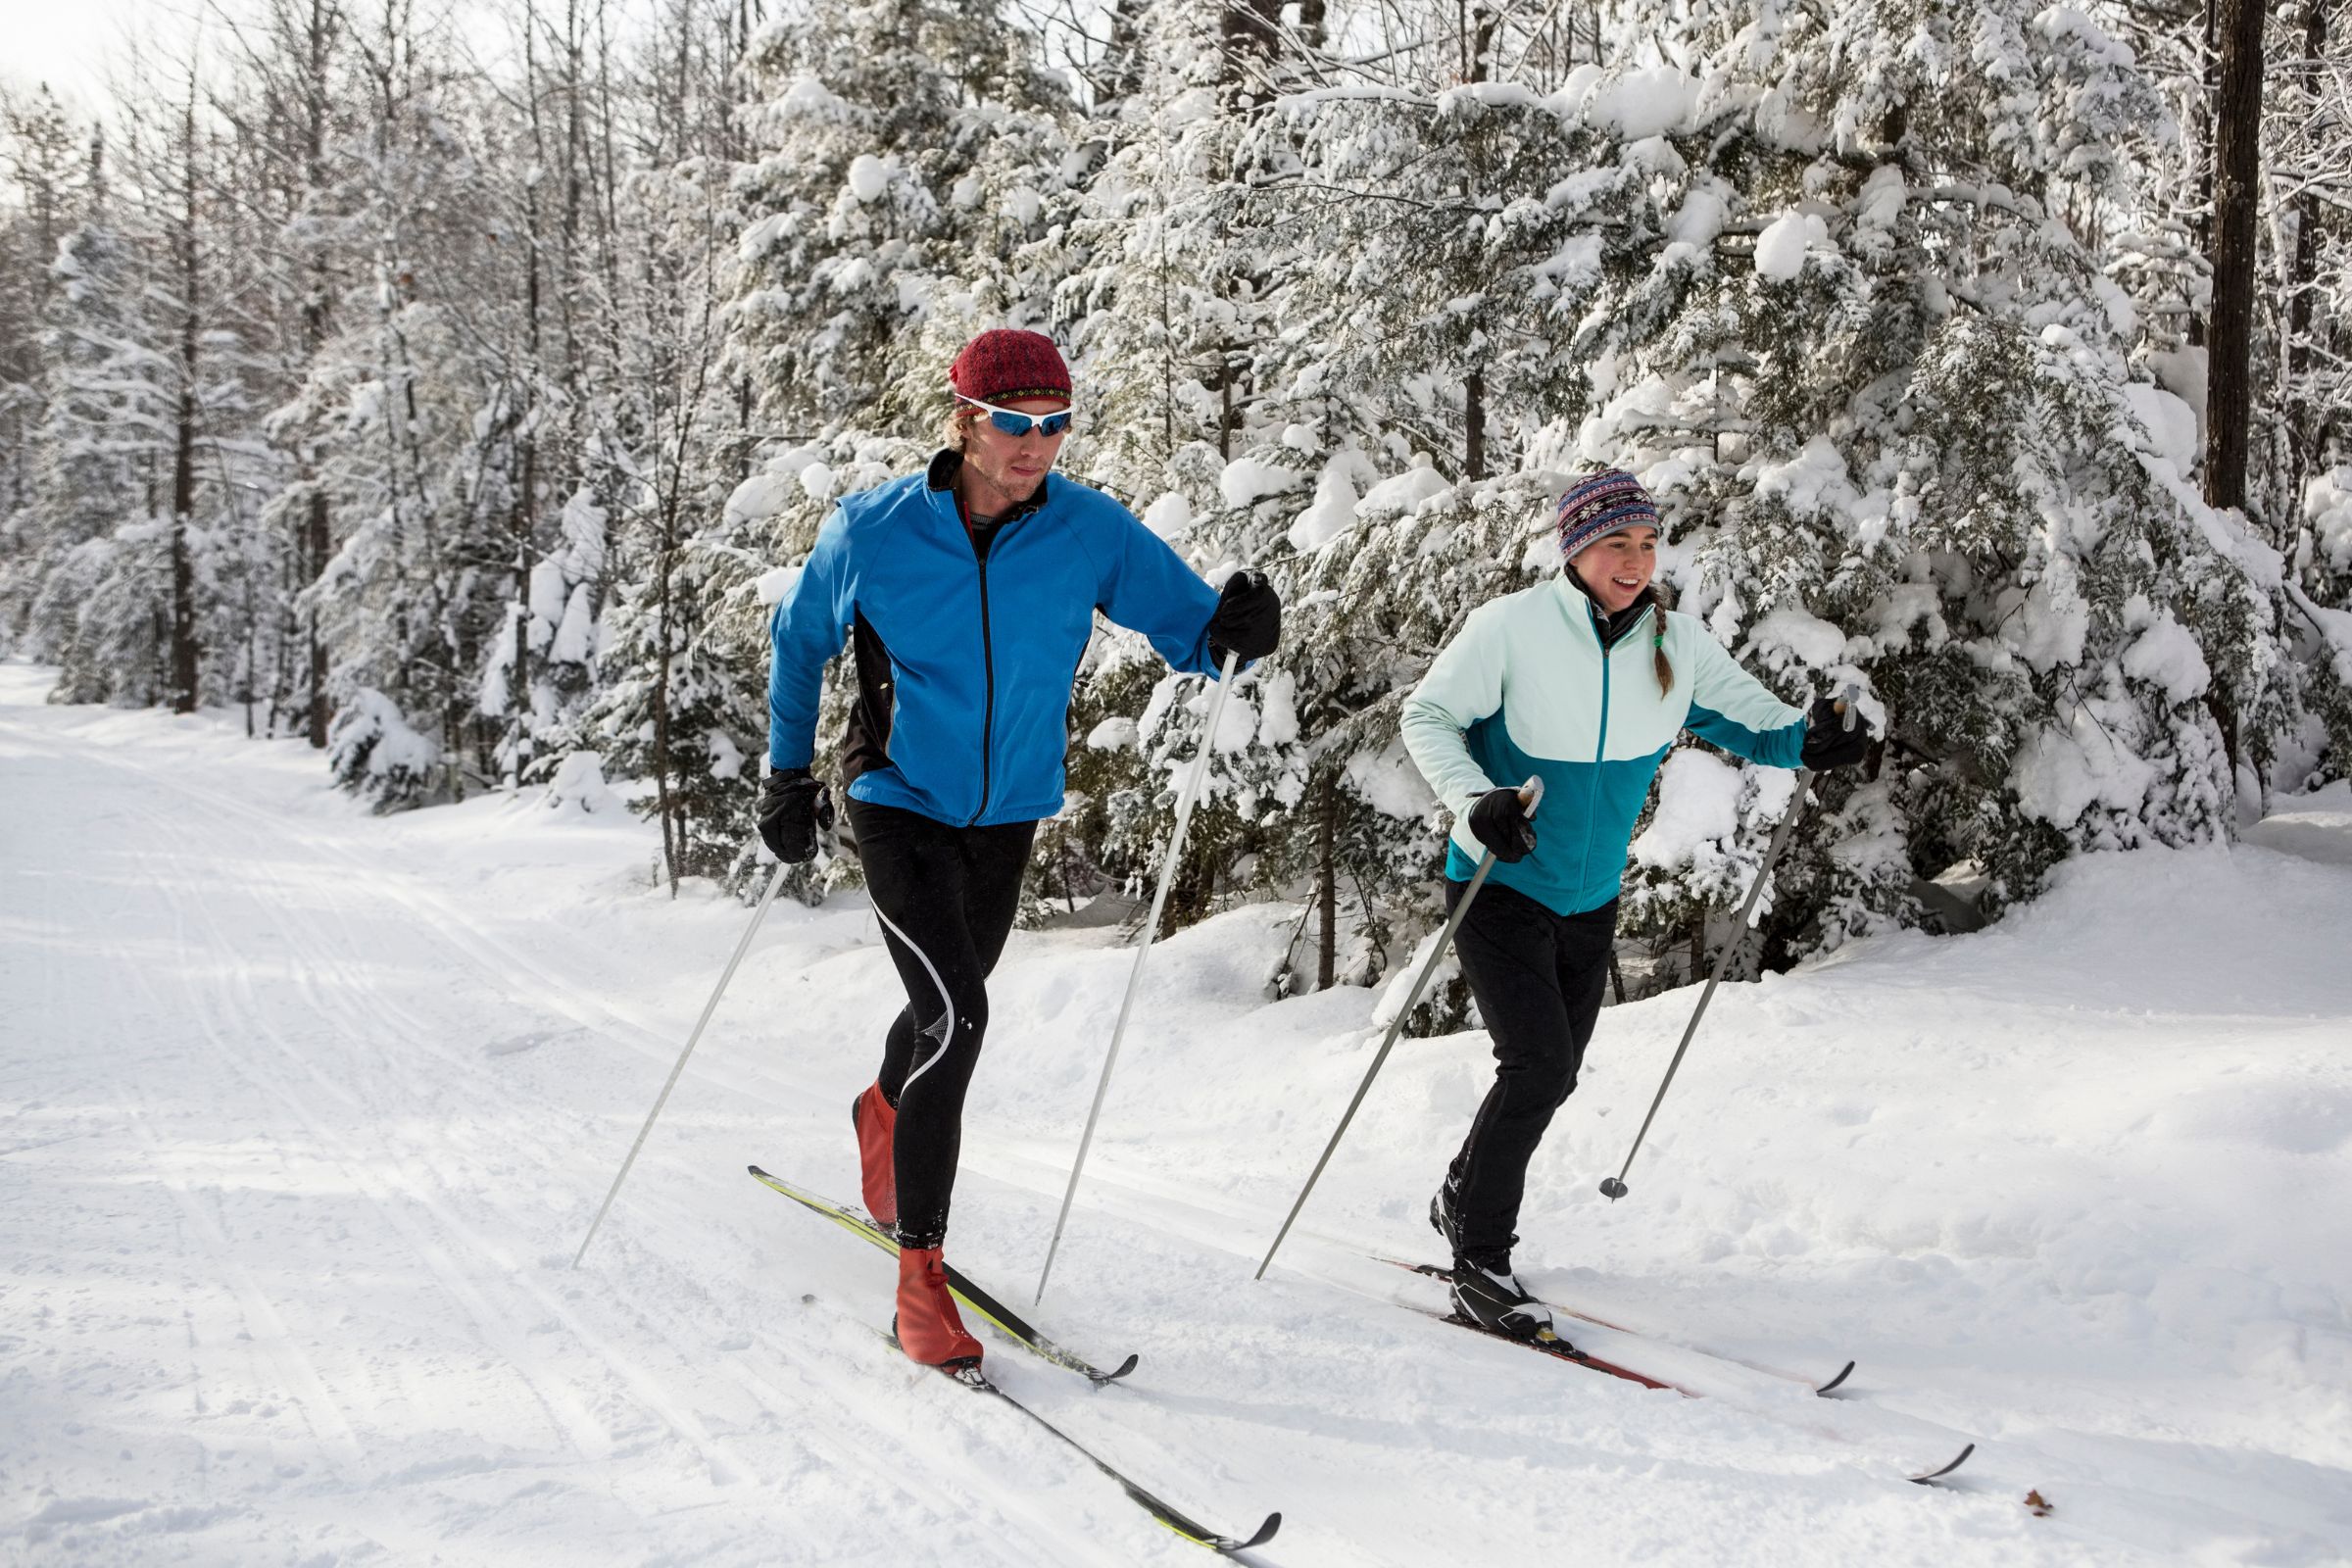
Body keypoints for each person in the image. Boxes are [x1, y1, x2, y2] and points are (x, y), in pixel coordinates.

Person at [759, 328, 1281, 1370]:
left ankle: (882, 1107)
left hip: (1008, 811)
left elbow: (1191, 630)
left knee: (938, 1008)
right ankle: (920, 1281)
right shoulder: (875, 532)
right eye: (1014, 423)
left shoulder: (1087, 530)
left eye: (1054, 425)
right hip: (896, 793)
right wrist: (784, 773)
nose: (1037, 444)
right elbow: (802, 638)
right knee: (960, 1011)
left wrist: (1239, 626)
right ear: (964, 421)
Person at [1397, 467, 1870, 1341]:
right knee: (1537, 1064)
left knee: (1558, 1068)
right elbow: (1427, 717)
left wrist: (1818, 738)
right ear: (1576, 547)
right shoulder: (1511, 629)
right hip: (1497, 881)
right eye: (1618, 542)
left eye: (1649, 543)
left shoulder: (1674, 643)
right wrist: (1475, 800)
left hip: (1591, 895)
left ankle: (1464, 1190)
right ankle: (1480, 1258)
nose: (1636, 559)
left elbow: (1759, 724)